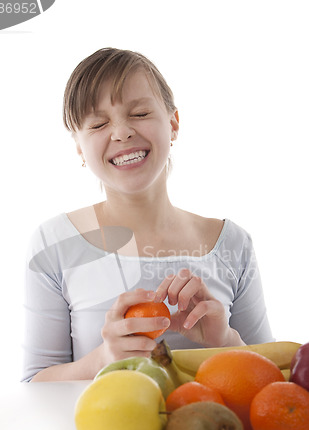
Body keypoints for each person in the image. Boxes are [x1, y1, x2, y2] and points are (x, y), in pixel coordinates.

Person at [21, 47, 274, 383]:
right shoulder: (54, 243)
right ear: (80, 148)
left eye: (139, 114)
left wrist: (226, 342)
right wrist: (103, 358)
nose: (122, 132)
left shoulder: (233, 243)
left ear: (173, 124)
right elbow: (34, 383)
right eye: (98, 123)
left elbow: (274, 380)